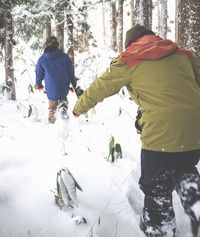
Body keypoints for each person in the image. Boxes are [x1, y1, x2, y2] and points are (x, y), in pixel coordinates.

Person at [72, 24, 200, 237]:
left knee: (157, 185)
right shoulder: (181, 53)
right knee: (184, 167)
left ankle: (161, 229)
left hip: (160, 135)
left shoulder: (129, 59)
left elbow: (99, 87)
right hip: (195, 129)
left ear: (131, 43)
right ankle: (196, 203)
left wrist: (78, 109)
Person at [35, 36, 77, 123]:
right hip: (63, 86)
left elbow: (39, 73)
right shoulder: (64, 57)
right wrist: (74, 84)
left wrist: (38, 84)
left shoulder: (42, 59)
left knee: (52, 108)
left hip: (51, 87)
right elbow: (70, 72)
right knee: (63, 99)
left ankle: (52, 123)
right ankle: (63, 108)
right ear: (57, 45)